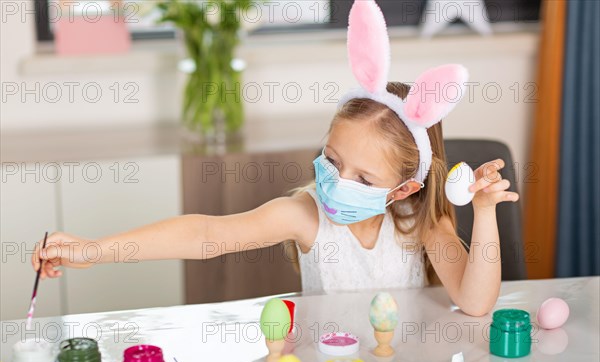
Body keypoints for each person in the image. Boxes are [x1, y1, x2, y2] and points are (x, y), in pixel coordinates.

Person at [31, 0, 519, 316]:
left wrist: (483, 212)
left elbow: (476, 303)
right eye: (331, 159)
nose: (334, 180)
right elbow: (207, 234)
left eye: (362, 177)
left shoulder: (422, 222)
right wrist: (95, 250)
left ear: (404, 188)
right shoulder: (306, 214)